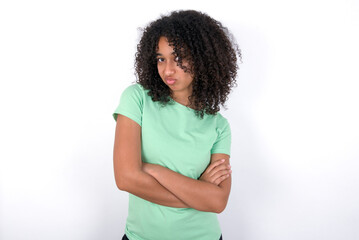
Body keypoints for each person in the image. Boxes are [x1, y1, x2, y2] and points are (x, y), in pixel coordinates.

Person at [113, 10, 241, 240]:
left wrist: (152, 169)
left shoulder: (218, 126)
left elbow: (218, 201)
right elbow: (125, 178)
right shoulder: (137, 99)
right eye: (161, 58)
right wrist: (197, 191)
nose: (168, 69)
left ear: (203, 59)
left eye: (179, 58)